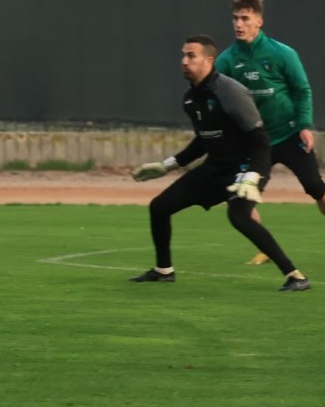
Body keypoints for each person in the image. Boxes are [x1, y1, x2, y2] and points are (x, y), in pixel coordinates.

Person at [129, 34, 310, 292]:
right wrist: (167, 165)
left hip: (245, 168)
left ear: (209, 61)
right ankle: (163, 270)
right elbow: (203, 141)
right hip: (215, 169)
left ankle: (296, 276)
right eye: (183, 55)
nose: (184, 61)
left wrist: (253, 176)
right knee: (160, 207)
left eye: (191, 55)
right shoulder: (191, 98)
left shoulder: (230, 91)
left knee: (239, 217)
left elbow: (260, 140)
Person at [218, 0, 325, 264]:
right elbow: (219, 96)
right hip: (256, 141)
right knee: (242, 197)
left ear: (259, 21)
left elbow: (302, 90)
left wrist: (305, 126)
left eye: (245, 18)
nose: (239, 23)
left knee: (314, 186)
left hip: (289, 133)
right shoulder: (227, 60)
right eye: (235, 18)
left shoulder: (281, 53)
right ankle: (265, 246)